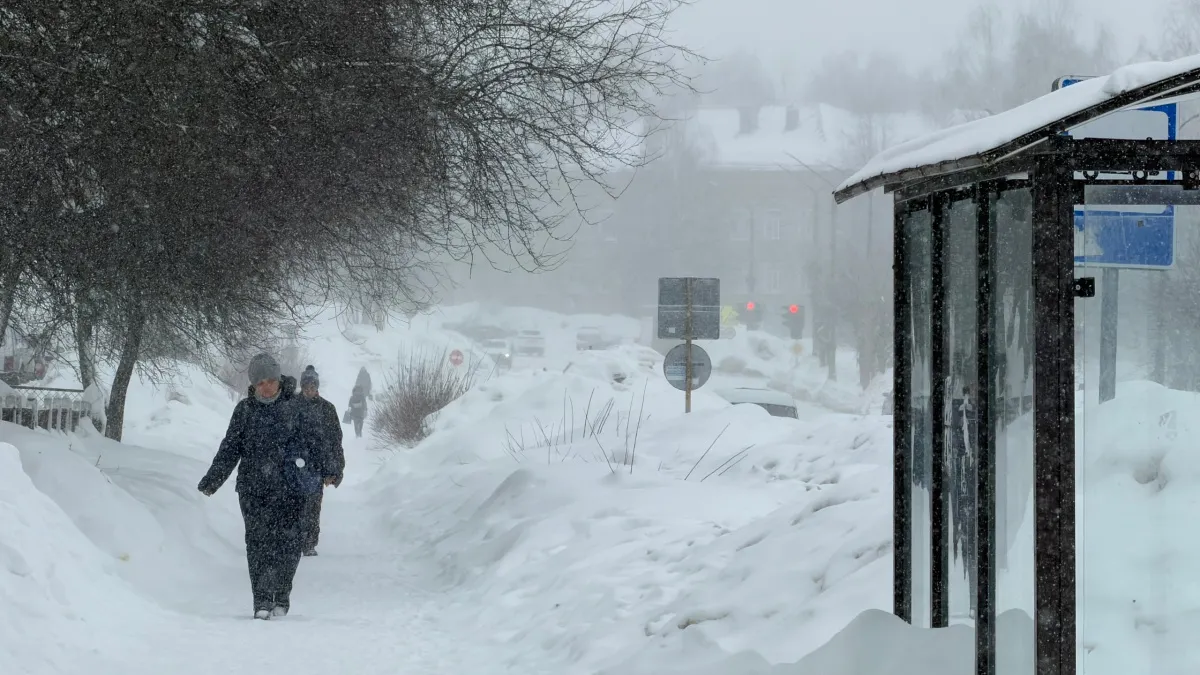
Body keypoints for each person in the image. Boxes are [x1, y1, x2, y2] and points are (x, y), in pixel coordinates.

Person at [196, 353, 327, 620]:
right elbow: (230, 448)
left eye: (270, 380)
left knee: (289, 544)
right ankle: (262, 602)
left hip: (291, 489)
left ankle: (281, 594)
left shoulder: (297, 407)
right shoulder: (244, 411)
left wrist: (330, 469)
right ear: (253, 385)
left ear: (278, 380)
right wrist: (213, 479)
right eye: (260, 382)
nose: (266, 387)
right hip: (253, 489)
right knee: (258, 544)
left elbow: (318, 443)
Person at [297, 365, 345, 557]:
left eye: (312, 386)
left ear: (317, 387)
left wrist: (334, 471)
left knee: (312, 505)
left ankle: (309, 543)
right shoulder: (291, 405)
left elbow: (335, 442)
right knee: (292, 505)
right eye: (306, 385)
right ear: (302, 386)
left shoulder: (327, 409)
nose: (309, 389)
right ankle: (292, 540)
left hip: (317, 467)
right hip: (293, 466)